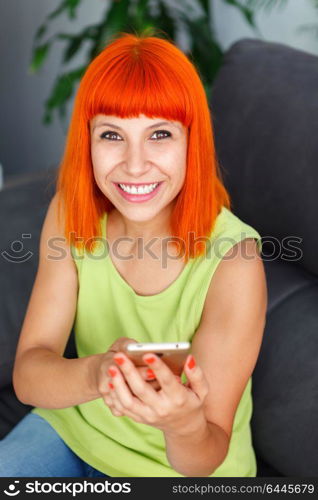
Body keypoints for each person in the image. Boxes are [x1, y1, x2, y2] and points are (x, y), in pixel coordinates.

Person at [0, 29, 267, 477]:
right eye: (112, 135)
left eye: (159, 134)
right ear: (87, 141)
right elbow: (29, 375)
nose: (136, 164)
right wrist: (97, 373)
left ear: (191, 142)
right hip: (73, 431)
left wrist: (181, 425)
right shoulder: (70, 211)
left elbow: (204, 457)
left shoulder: (235, 260)